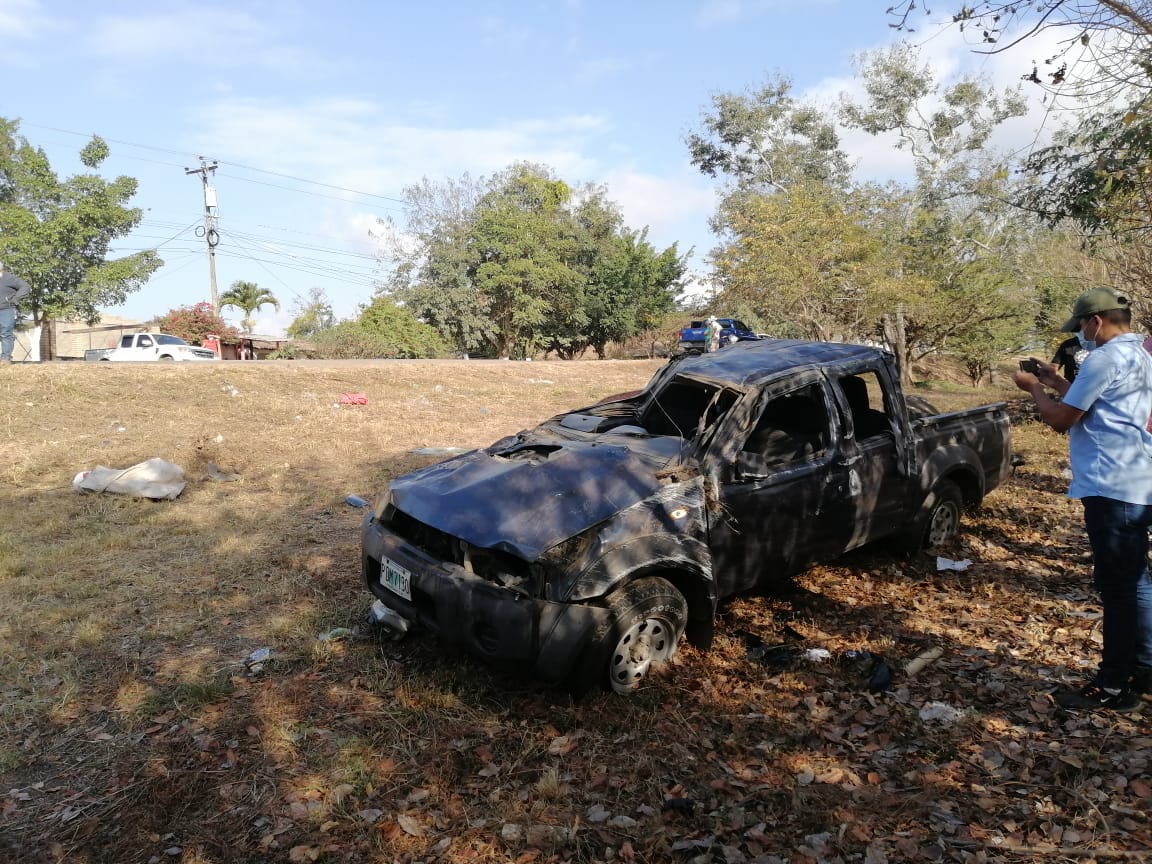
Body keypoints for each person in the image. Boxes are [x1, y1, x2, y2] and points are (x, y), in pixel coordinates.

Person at [1014, 287, 1152, 711]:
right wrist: (1056, 381)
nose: (1081, 336)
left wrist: (1034, 389)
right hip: (1137, 481)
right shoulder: (1140, 354)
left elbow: (1060, 419)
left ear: (1095, 321)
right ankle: (1144, 668)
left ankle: (1112, 685)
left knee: (1117, 588)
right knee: (1136, 581)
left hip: (1111, 486)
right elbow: (1099, 403)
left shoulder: (1106, 357)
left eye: (1081, 327)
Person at [0, 261, 31, 365]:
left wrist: (15, 299)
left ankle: (5, 358)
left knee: (6, 333)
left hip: (6, 310)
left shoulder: (9, 278)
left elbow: (25, 287)